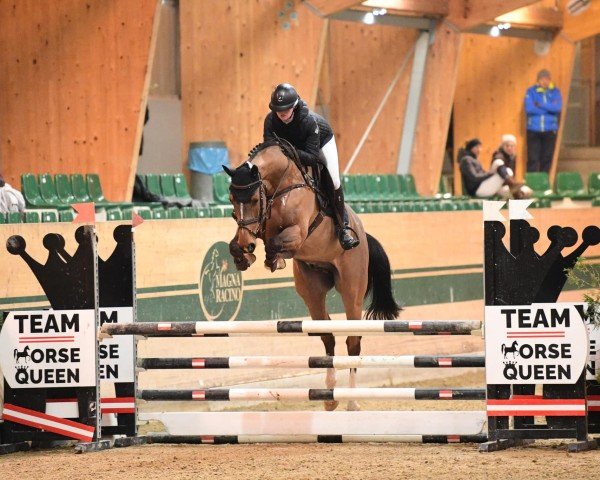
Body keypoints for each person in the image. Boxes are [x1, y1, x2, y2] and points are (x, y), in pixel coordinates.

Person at [263, 83, 359, 250]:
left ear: (294, 105)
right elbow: (270, 151)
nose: (281, 112)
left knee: (334, 180)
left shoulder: (308, 121)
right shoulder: (270, 120)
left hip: (320, 142)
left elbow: (313, 158)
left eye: (285, 108)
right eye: (278, 108)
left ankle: (343, 228)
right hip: (292, 148)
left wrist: (289, 150)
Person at [460, 138, 531, 199]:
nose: (479, 149)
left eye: (480, 147)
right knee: (505, 168)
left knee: (524, 190)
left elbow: (481, 174)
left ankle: (518, 193)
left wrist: (490, 174)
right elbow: (474, 177)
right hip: (477, 190)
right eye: (477, 147)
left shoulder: (473, 159)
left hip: (482, 187)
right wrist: (490, 173)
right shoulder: (467, 160)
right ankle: (512, 185)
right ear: (471, 148)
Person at [524, 69, 562, 173]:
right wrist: (549, 108)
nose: (544, 81)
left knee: (546, 159)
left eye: (547, 79)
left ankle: (544, 184)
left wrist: (540, 104)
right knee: (533, 159)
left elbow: (557, 108)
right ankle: (531, 184)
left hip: (550, 130)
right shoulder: (531, 91)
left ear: (550, 80)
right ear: (538, 80)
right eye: (542, 79)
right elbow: (529, 109)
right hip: (533, 130)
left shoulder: (555, 92)